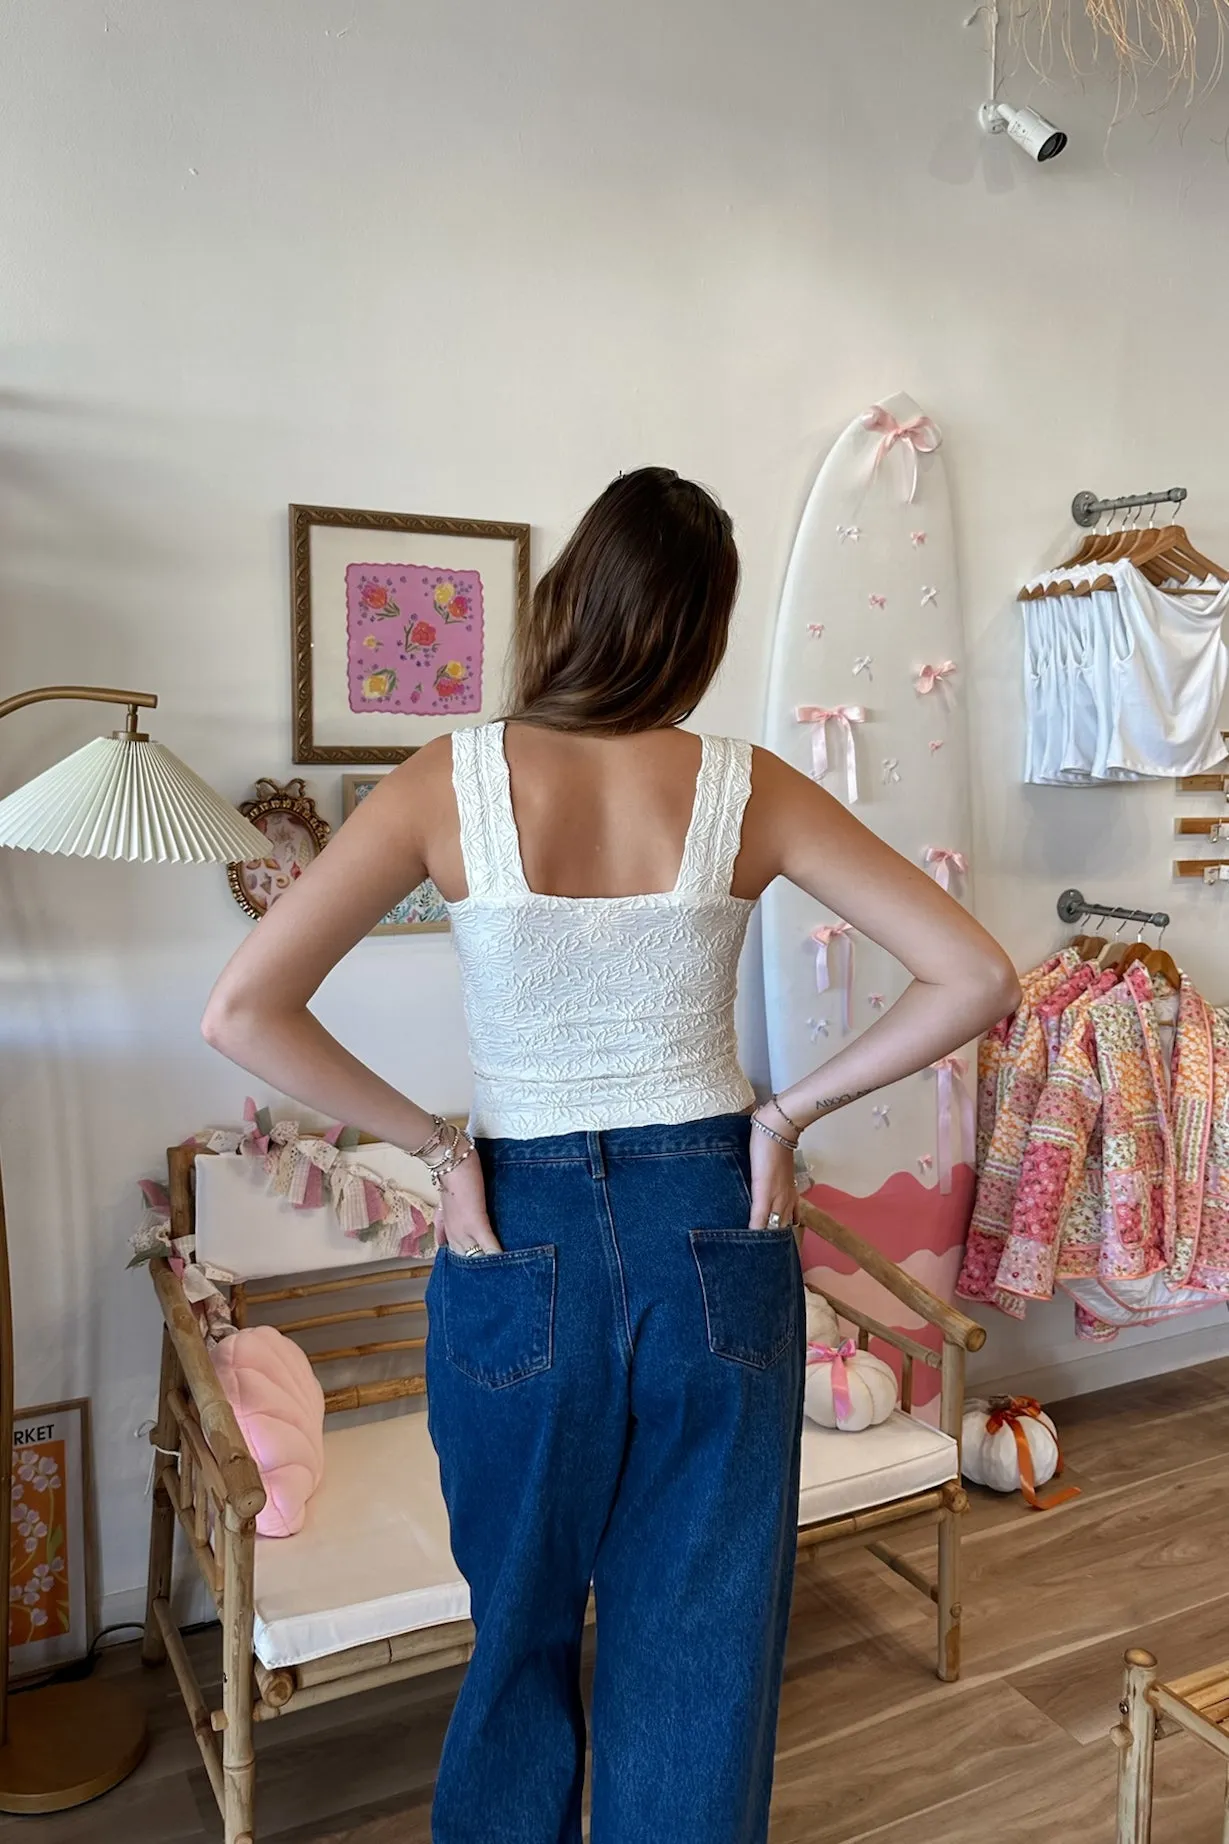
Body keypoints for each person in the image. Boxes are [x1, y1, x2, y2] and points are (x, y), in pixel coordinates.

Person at [202, 467, 1018, 1844]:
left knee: (516, 1632)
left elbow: (241, 1013)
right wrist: (785, 1114)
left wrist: (431, 1143)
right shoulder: (741, 787)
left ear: (570, 597)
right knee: (696, 1649)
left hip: (516, 1232)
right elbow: (974, 974)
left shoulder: (441, 781)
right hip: (712, 1217)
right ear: (699, 631)